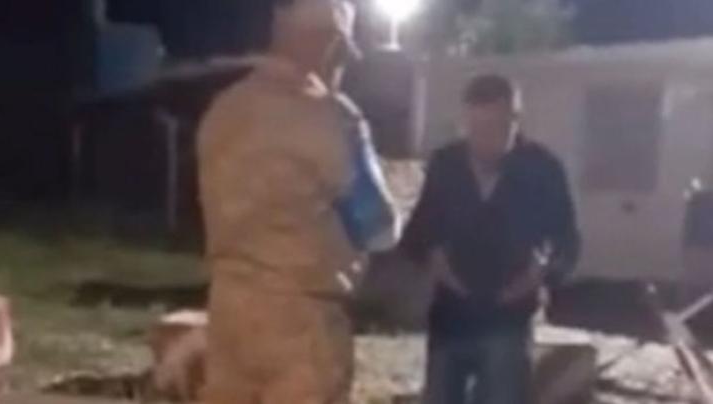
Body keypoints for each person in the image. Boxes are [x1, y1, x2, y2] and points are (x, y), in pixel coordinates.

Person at [196, 1, 364, 403]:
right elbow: (379, 224)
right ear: (331, 45)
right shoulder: (331, 117)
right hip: (302, 319)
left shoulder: (223, 110)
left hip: (229, 315)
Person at [400, 74, 580, 404]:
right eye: (475, 128)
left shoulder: (543, 169)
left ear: (515, 120)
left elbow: (567, 243)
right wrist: (432, 257)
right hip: (450, 319)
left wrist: (542, 271)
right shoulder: (445, 164)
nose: (483, 139)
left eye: (495, 128)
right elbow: (417, 234)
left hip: (509, 321)